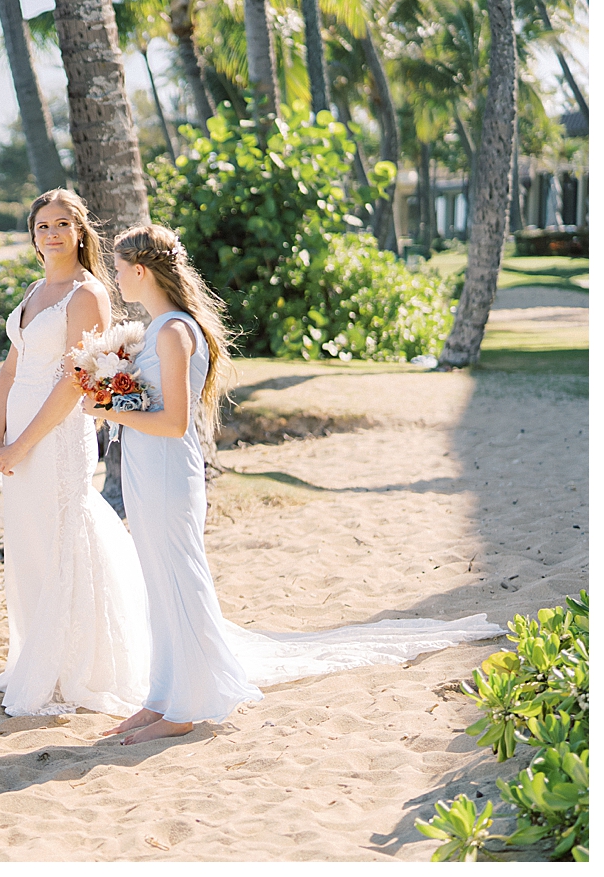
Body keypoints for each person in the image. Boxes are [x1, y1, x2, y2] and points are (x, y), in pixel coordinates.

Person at [89, 222, 501, 745]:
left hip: (168, 469)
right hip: (150, 471)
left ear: (141, 270)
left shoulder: (172, 331)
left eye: (121, 270)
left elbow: (172, 421)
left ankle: (188, 706)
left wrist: (109, 409)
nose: (118, 279)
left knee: (179, 581)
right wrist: (116, 398)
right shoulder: (158, 328)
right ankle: (161, 696)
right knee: (158, 581)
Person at [0, 189, 152, 717]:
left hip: (54, 435)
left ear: (79, 231)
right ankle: (38, 652)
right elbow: (10, 371)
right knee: (31, 539)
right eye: (42, 226)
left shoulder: (87, 294)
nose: (52, 234)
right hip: (17, 435)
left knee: (64, 532)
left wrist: (22, 443)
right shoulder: (36, 289)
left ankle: (78, 664)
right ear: (32, 235)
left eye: (62, 224)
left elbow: (76, 382)